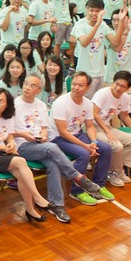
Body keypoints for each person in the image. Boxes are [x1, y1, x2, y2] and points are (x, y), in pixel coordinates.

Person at [12, 74, 102, 224]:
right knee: (53, 147)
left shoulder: (40, 105)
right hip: (22, 146)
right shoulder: (13, 105)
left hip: (40, 145)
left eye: (32, 85)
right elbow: (7, 131)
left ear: (39, 89)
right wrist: (24, 134)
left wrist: (43, 135)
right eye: (26, 83)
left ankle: (57, 205)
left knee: (54, 164)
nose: (27, 87)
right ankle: (78, 177)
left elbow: (44, 129)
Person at [0, 88, 52, 223]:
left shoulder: (8, 117)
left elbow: (9, 136)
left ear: (7, 104)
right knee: (21, 162)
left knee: (22, 175)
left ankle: (30, 210)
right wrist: (6, 148)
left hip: (1, 153)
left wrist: (11, 144)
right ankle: (37, 197)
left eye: (1, 101)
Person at [48, 72, 115, 205]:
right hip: (57, 138)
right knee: (84, 154)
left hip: (77, 134)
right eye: (74, 84)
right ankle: (76, 191)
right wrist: (86, 146)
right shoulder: (60, 103)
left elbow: (90, 126)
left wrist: (94, 142)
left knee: (106, 148)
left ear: (87, 87)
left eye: (80, 85)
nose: (76, 87)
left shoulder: (88, 104)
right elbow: (63, 132)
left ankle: (98, 185)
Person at [91, 71, 131, 187]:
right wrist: (107, 131)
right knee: (117, 146)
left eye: (122, 86)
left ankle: (119, 170)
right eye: (116, 83)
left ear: (127, 88)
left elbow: (124, 115)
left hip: (106, 127)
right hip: (93, 128)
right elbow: (94, 114)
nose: (118, 88)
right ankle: (112, 172)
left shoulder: (125, 98)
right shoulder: (102, 93)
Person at [70, 0, 127, 97]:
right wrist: (97, 24)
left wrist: (121, 22)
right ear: (87, 9)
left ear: (102, 11)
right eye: (91, 10)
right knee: (86, 103)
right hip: (85, 73)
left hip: (100, 72)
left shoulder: (103, 25)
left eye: (97, 11)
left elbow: (115, 42)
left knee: (98, 102)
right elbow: (84, 42)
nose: (94, 13)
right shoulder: (80, 24)